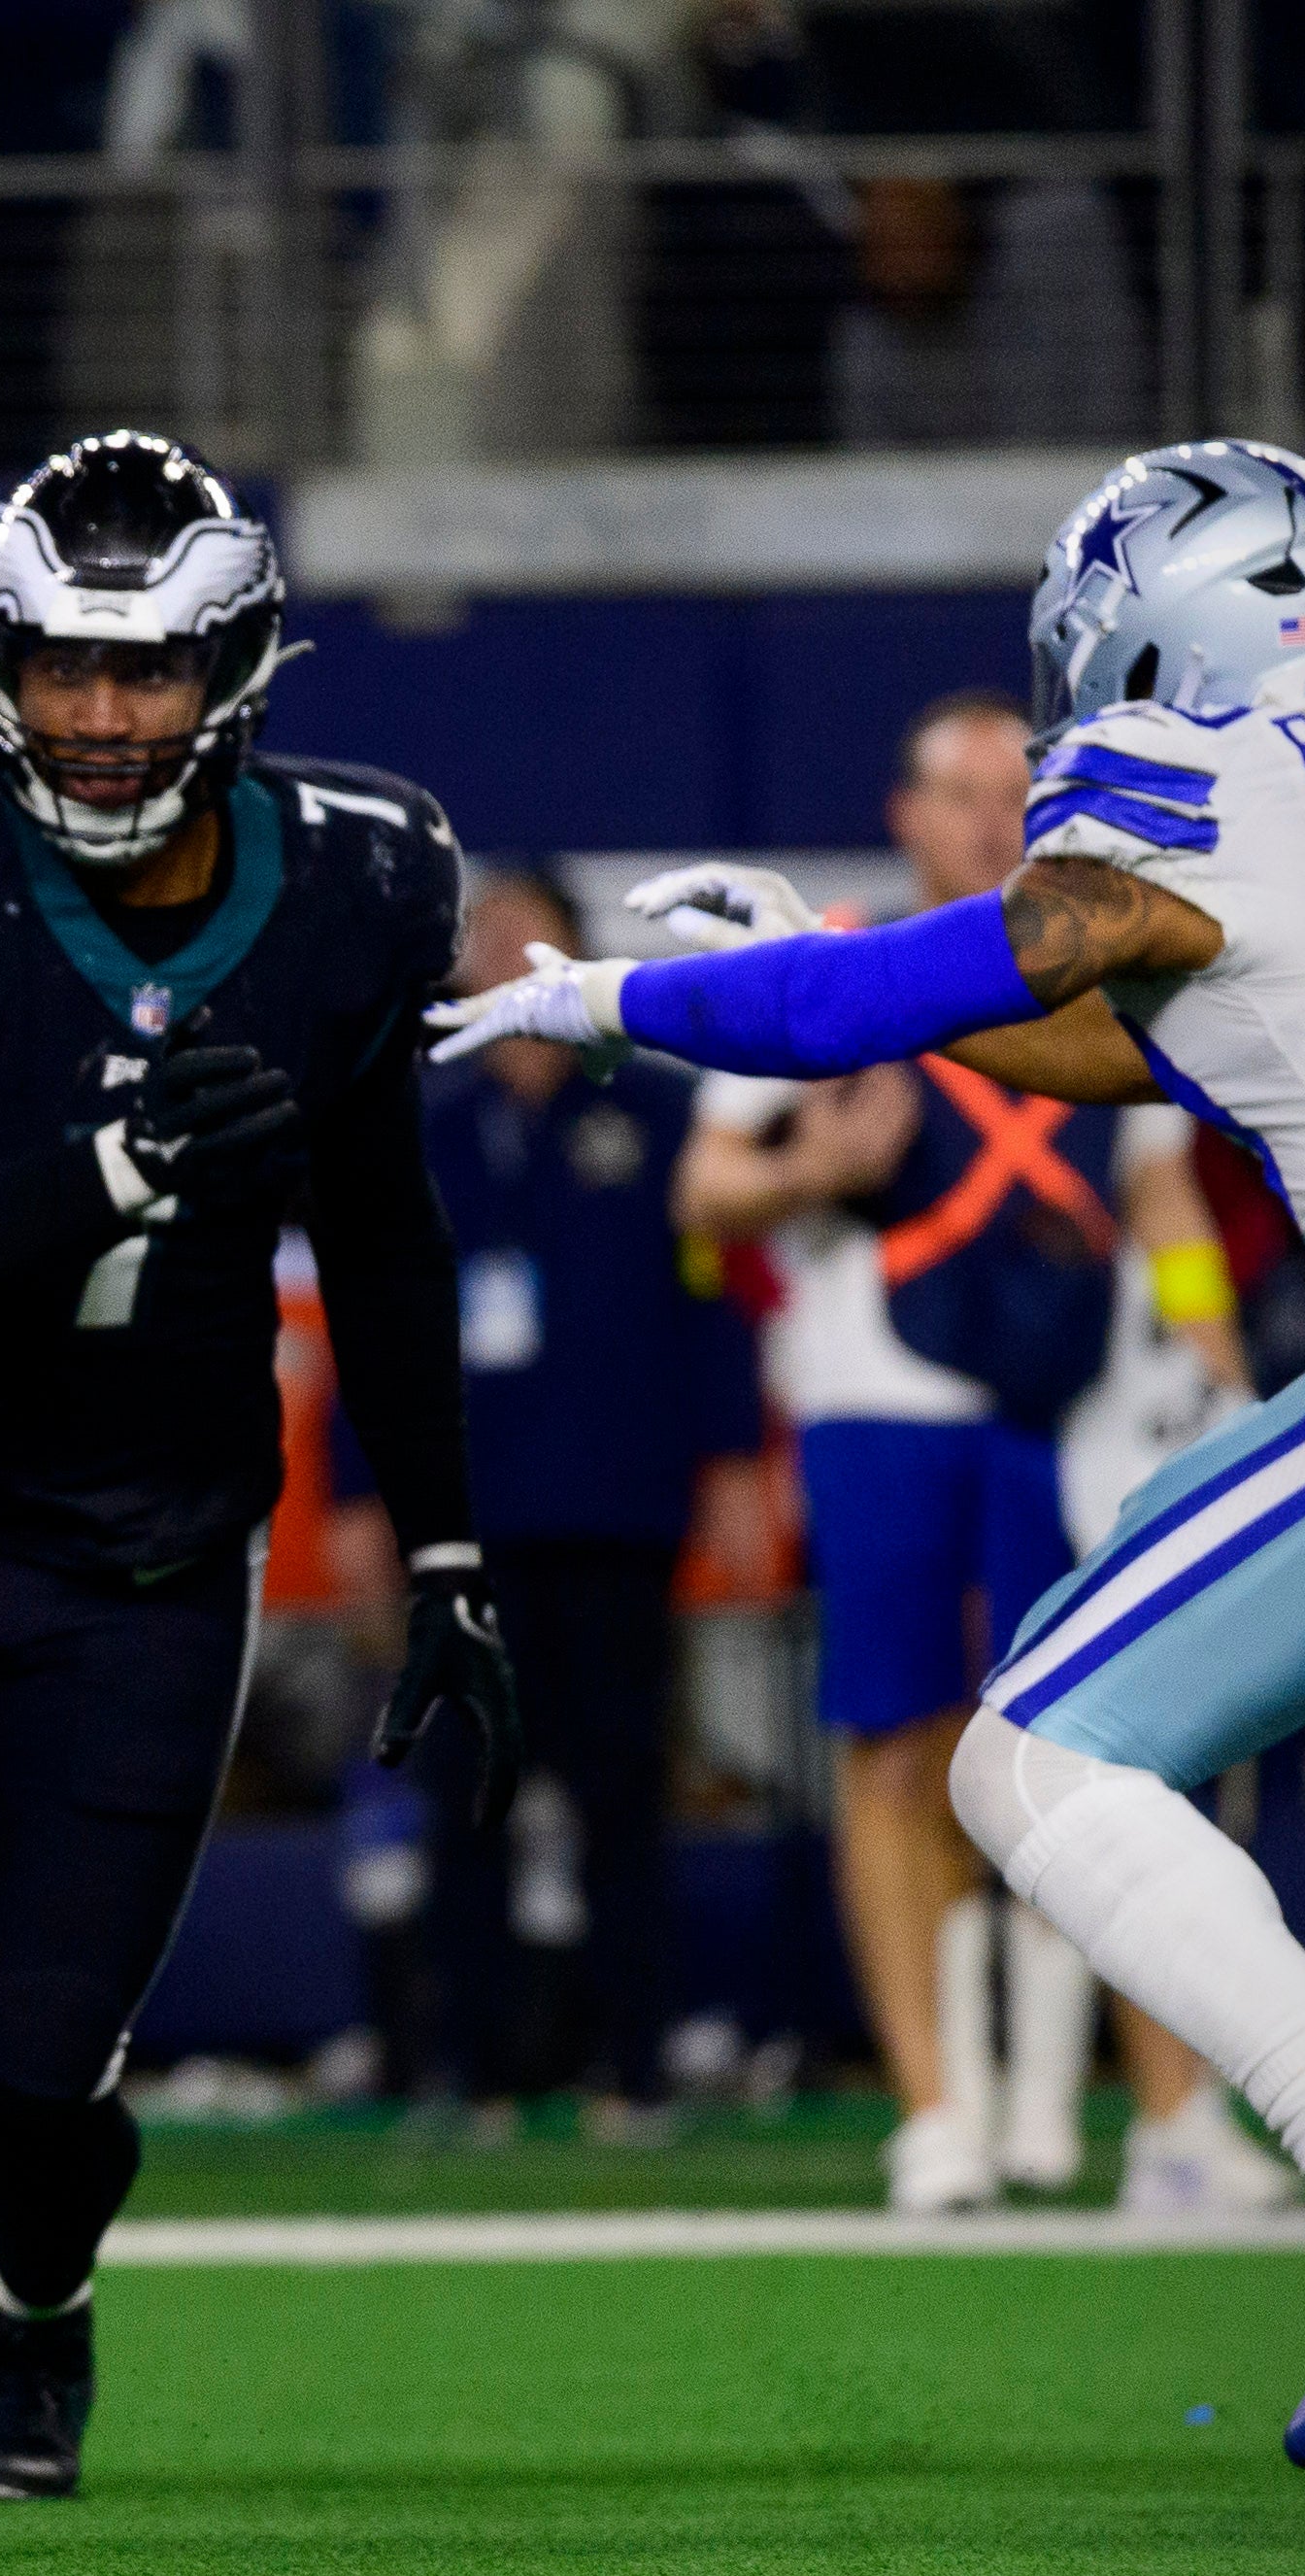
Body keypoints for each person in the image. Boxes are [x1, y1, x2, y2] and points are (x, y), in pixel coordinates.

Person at [430, 439, 1305, 2467]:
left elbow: (987, 966)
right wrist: (822, 942)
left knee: (1028, 1754)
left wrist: (628, 990)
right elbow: (1122, 1016)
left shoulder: (1188, 777)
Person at [0, 433, 516, 2503]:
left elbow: (392, 1245)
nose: (102, 713)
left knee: (70, 2063)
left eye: (148, 672)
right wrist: (126, 1160)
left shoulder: (353, 878)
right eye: (63, 665)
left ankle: (28, 2340)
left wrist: (448, 1547)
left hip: (149, 1559)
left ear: (232, 669)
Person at [670, 691, 1283, 2218]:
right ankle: (934, 2114)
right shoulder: (831, 962)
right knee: (892, 1740)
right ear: (905, 812)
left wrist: (1215, 1361)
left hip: (1077, 1409)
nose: (997, 817)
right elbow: (703, 1190)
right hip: (881, 1394)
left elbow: (1162, 1198)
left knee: (1132, 1748)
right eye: (965, 790)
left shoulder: (1109, 973)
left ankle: (1173, 2123)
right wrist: (823, 1163)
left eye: (1024, 789)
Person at [385, 864, 773, 2132]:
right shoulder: (419, 1124)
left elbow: (713, 1305)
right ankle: (474, 2070)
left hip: (617, 1496)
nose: (498, 957)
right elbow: (368, 1327)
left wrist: (732, 1469)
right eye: (479, 939)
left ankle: (637, 2063)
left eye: (523, 935)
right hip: (462, 1512)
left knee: (618, 1790)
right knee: (466, 1793)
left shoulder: (655, 1112)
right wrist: (352, 1489)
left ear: (570, 956)